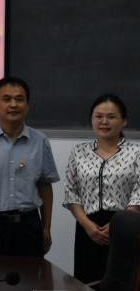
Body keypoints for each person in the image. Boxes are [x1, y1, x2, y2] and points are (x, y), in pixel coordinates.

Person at [0, 76, 59, 256]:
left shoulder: (40, 141)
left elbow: (45, 186)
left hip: (28, 224)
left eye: (19, 99)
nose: (13, 105)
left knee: (29, 273)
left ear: (27, 105)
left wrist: (46, 227)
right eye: (7, 99)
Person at [63, 93, 140, 283]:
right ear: (92, 119)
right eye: (98, 116)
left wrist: (117, 225)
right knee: (87, 281)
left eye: (111, 117)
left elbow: (139, 193)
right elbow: (71, 193)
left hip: (125, 227)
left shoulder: (136, 153)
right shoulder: (79, 152)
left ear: (124, 121)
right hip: (88, 228)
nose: (104, 122)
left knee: (122, 281)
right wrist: (87, 225)